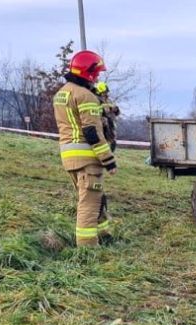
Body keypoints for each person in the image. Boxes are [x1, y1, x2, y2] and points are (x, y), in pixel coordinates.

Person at [53, 50, 117, 247]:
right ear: (87, 72)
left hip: (69, 156)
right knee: (89, 204)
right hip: (87, 157)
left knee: (96, 199)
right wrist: (108, 160)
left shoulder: (62, 93)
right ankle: (88, 248)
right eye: (95, 73)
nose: (96, 77)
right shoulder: (86, 96)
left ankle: (104, 235)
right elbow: (92, 132)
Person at [94, 81, 120, 152]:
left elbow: (115, 109)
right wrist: (108, 109)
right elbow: (98, 110)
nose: (106, 93)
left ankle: (110, 150)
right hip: (101, 123)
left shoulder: (108, 100)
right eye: (104, 92)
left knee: (112, 139)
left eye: (106, 92)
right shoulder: (95, 99)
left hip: (110, 123)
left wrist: (116, 110)